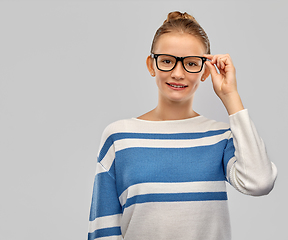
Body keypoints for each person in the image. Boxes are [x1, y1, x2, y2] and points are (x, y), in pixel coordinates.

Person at [88, 11, 277, 240]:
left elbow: (260, 182)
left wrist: (231, 96)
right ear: (151, 65)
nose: (178, 73)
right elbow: (103, 229)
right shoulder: (119, 137)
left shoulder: (219, 138)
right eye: (167, 61)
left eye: (190, 63)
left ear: (205, 71)